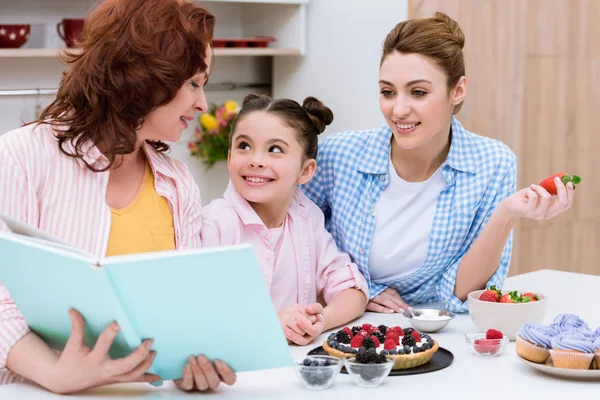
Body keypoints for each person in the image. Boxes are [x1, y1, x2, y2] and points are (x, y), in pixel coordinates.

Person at [0, 0, 235, 393]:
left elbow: (184, 311)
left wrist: (196, 360)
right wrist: (57, 376)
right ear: (148, 76)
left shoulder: (179, 184)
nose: (202, 103)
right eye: (193, 82)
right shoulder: (22, 155)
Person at [301, 12, 575, 314]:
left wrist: (506, 213)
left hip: (442, 330)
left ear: (457, 91)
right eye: (387, 92)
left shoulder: (493, 163)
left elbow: (462, 294)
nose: (399, 109)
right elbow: (293, 242)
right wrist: (358, 289)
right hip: (344, 322)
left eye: (418, 92)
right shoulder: (339, 156)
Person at [201, 94, 368, 345]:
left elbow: (352, 290)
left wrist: (320, 320)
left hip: (298, 367)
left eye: (274, 149)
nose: (256, 161)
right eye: (244, 146)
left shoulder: (307, 218)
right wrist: (270, 322)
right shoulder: (214, 224)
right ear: (229, 158)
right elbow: (203, 317)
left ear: (305, 171)